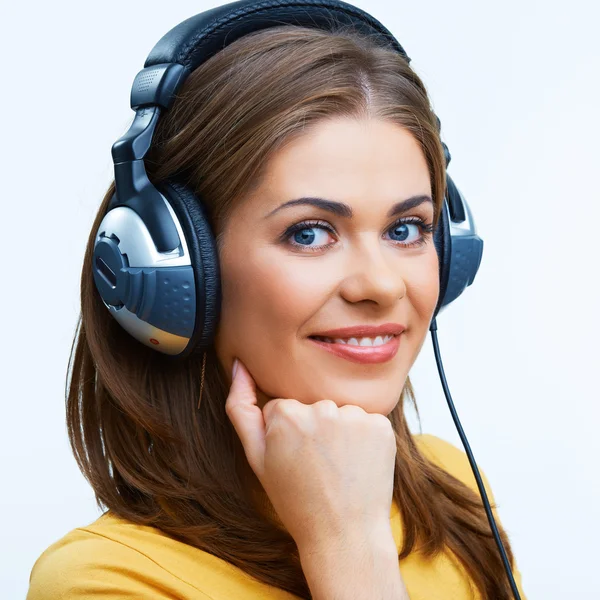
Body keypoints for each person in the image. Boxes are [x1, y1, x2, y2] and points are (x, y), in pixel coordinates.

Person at [26, 20, 527, 600]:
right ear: (177, 269)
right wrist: (346, 545)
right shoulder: (106, 582)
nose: (382, 286)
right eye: (310, 233)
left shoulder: (455, 493)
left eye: (406, 228)